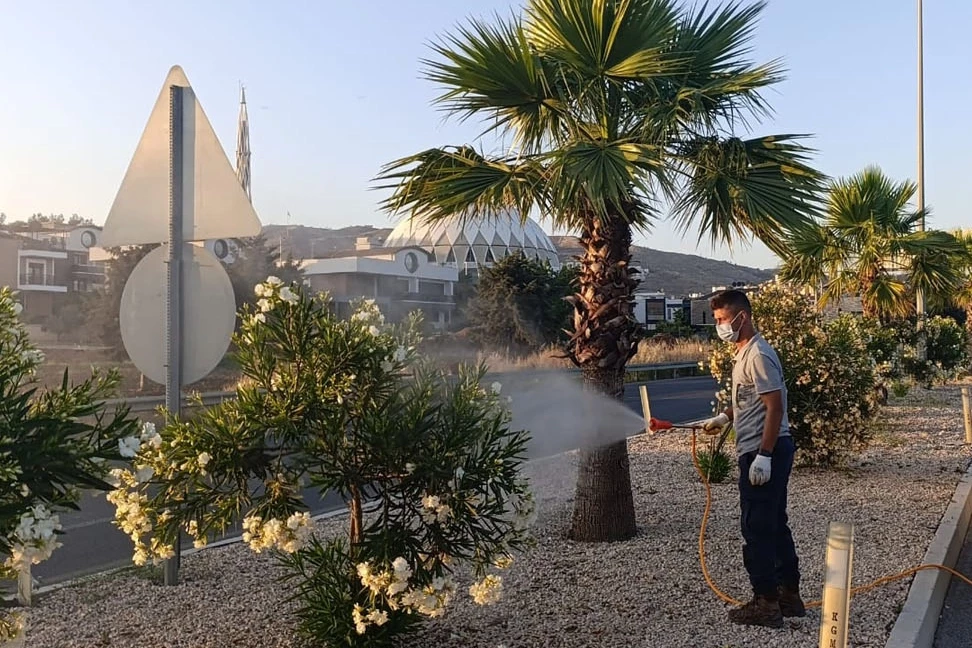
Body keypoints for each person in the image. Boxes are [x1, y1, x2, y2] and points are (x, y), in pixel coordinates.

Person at [700, 289, 804, 628]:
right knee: (774, 523)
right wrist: (726, 417)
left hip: (764, 451)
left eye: (721, 320)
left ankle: (767, 604)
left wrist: (764, 455)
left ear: (741, 317)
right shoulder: (743, 354)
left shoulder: (758, 354)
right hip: (762, 449)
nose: (719, 326)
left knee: (756, 527)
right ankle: (789, 596)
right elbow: (753, 401)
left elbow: (775, 407)